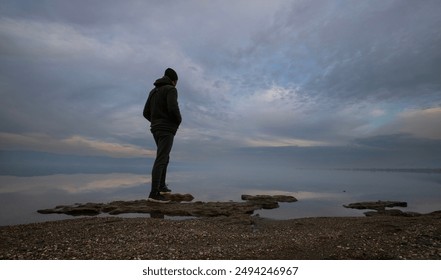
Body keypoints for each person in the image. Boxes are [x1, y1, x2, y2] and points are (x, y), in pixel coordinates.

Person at [143, 68, 182, 203]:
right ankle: (154, 193)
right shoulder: (171, 89)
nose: (176, 84)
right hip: (166, 129)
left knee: (164, 156)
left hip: (156, 128)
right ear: (173, 80)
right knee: (161, 158)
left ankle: (161, 186)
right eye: (176, 82)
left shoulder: (153, 91)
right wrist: (177, 121)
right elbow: (173, 108)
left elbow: (145, 112)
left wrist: (155, 122)